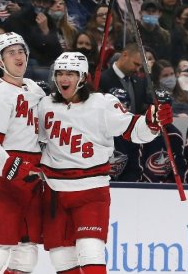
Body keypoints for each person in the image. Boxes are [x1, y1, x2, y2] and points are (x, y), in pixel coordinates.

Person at [38, 51, 173, 273]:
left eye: (70, 74)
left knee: (90, 250)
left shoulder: (103, 104)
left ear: (82, 77)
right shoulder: (45, 105)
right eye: (60, 73)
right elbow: (34, 139)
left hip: (90, 191)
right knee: (61, 257)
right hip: (54, 191)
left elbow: (132, 129)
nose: (64, 79)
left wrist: (151, 123)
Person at [0, 32, 46, 273]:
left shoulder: (35, 89)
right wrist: (15, 169)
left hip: (32, 176)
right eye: (10, 52)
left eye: (21, 51)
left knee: (27, 253)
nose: (18, 56)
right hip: (3, 178)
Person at [140, 88, 188, 183]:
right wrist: (155, 184)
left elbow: (180, 166)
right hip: (143, 186)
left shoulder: (175, 135)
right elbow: (136, 165)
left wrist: (170, 184)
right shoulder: (137, 131)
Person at [99, 43, 151, 114]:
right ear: (125, 55)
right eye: (136, 64)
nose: (138, 69)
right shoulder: (102, 79)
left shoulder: (140, 82)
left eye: (140, 66)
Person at [108, 88, 143, 182]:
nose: (119, 112)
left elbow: (134, 169)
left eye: (124, 107)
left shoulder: (133, 135)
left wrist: (124, 186)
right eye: (115, 107)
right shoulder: (95, 130)